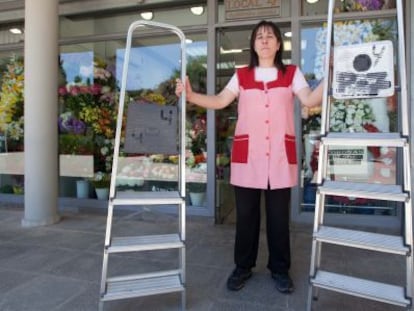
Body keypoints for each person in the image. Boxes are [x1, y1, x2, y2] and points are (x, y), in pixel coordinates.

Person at [175, 20, 323, 294]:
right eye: (259, 37)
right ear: (253, 44)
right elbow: (220, 101)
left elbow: (311, 100)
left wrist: (333, 72)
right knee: (246, 216)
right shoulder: (241, 75)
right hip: (248, 156)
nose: (265, 40)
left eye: (270, 36)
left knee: (278, 218)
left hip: (279, 156)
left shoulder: (292, 74)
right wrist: (192, 95)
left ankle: (280, 269)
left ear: (279, 44)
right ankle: (243, 267)